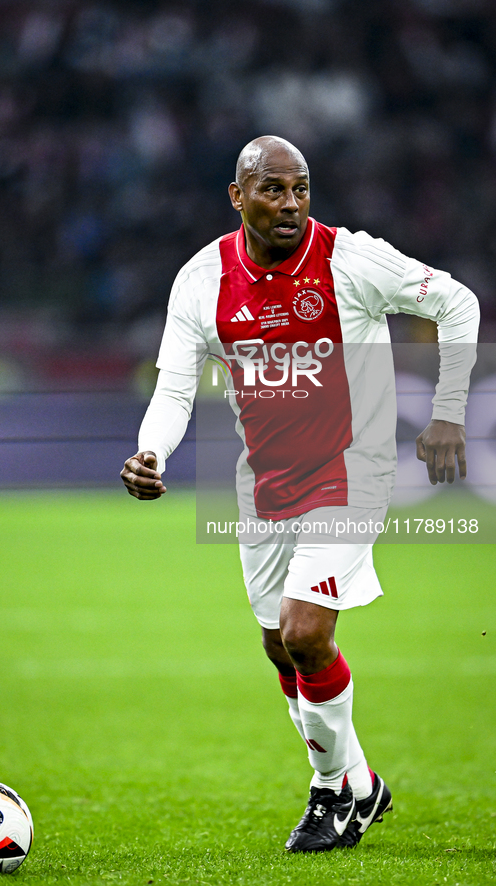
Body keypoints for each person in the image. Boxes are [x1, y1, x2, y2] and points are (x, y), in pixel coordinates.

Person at [120, 136, 479, 853]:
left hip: (351, 470)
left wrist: (445, 412)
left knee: (305, 632)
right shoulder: (201, 279)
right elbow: (175, 384)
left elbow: (457, 303)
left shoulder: (350, 260)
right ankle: (358, 780)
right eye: (271, 190)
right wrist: (151, 449)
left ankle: (328, 795)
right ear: (237, 196)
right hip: (265, 483)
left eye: (300, 190)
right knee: (279, 649)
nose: (289, 204)